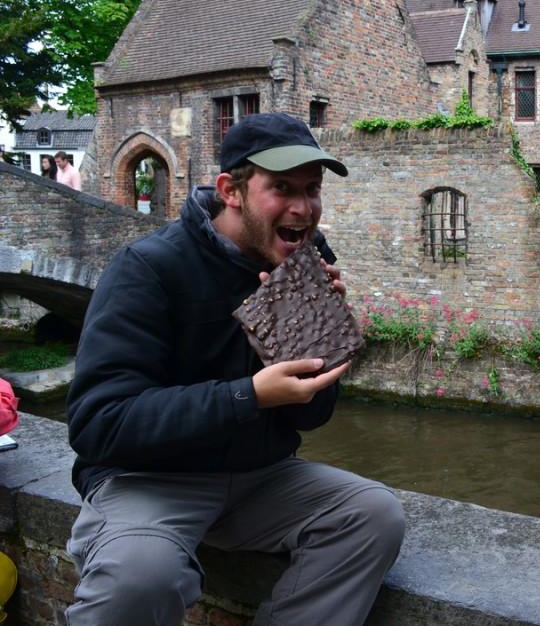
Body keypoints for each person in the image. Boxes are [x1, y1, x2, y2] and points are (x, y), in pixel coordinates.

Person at [64, 112, 405, 625]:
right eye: (282, 188)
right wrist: (250, 394)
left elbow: (310, 418)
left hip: (257, 475)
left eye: (312, 189)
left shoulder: (303, 258)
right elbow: (97, 423)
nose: (303, 207)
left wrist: (316, 337)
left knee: (374, 515)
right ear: (231, 190)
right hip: (150, 478)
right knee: (140, 576)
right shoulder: (149, 267)